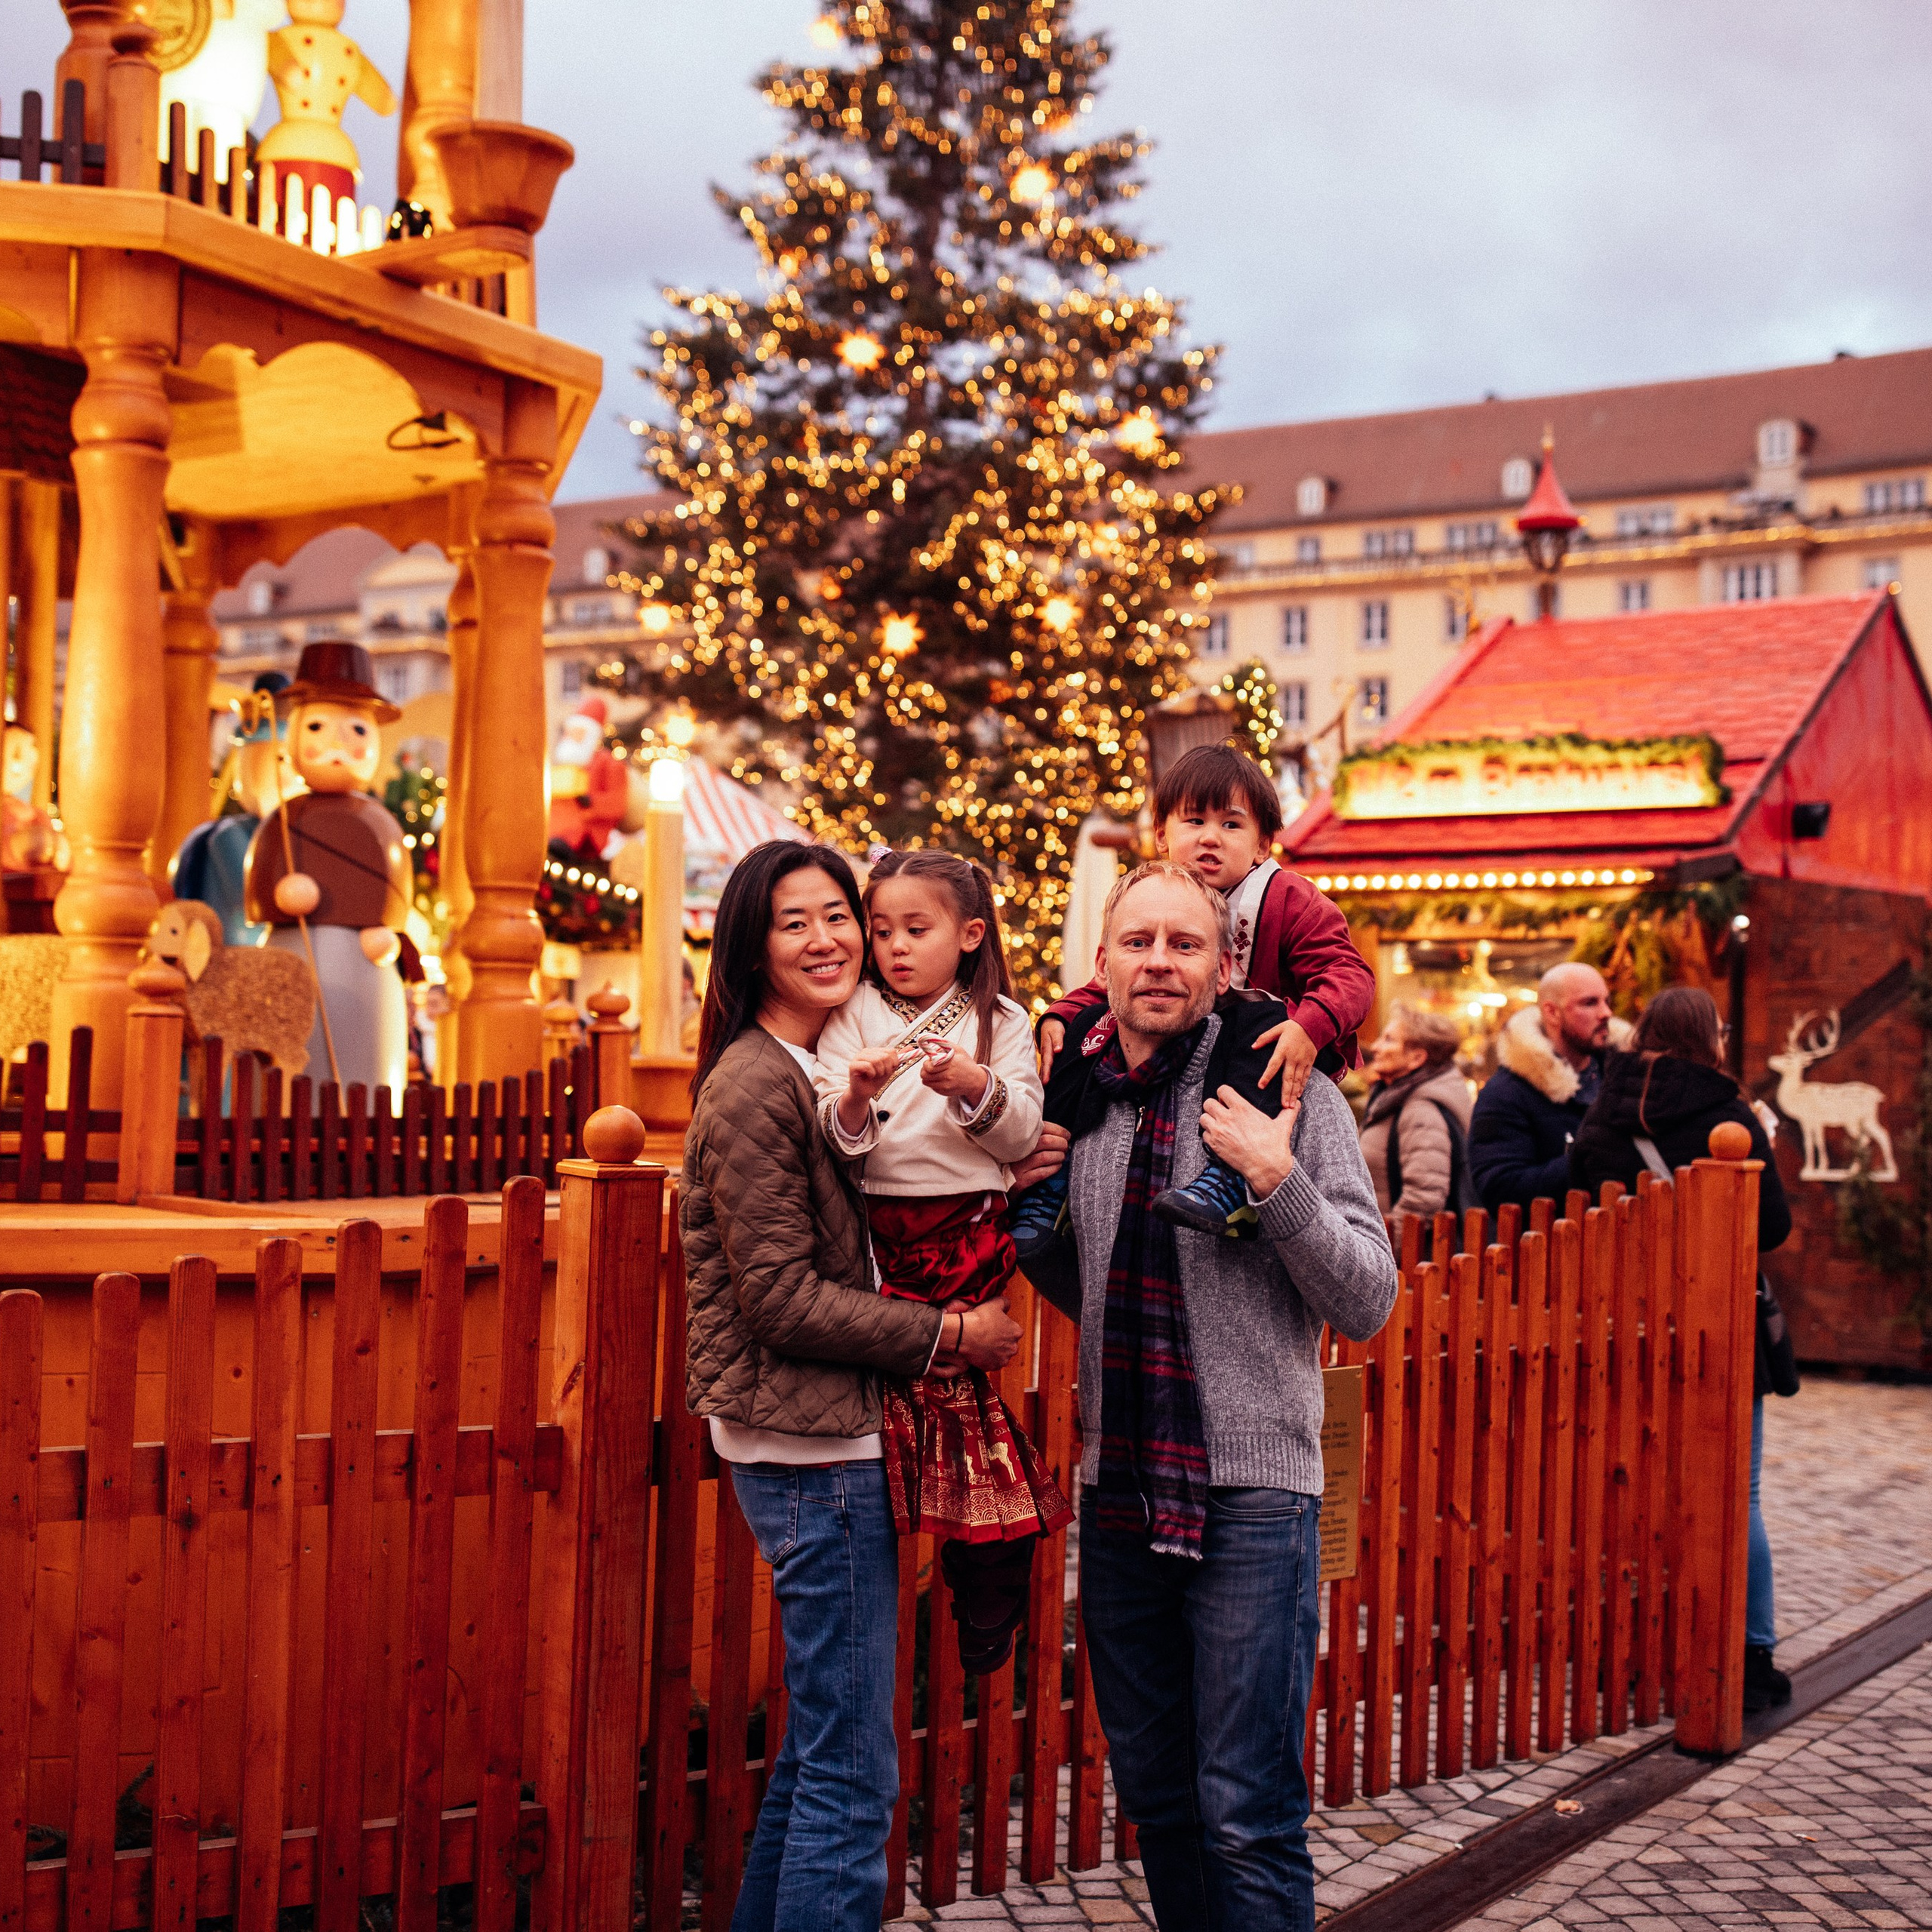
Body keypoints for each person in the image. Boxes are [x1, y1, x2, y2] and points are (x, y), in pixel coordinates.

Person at [1024, 861, 1398, 1930]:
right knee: (1159, 1800)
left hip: (1253, 1500)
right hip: (1123, 1490)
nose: (1159, 963)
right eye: (1138, 942)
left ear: (1226, 965)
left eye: (1184, 945)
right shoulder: (1081, 1102)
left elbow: (1368, 1299)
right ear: (1101, 963)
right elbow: (1081, 1282)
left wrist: (1277, 1185)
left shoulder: (1287, 1091)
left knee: (1248, 1811)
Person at [680, 840, 1023, 1932]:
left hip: (830, 1441)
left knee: (823, 1754)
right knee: (854, 1771)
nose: (832, 939)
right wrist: (950, 1332)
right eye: (798, 923)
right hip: (810, 1456)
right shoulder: (752, 1083)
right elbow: (779, 1298)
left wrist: (1025, 1145)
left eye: (842, 915)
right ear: (751, 943)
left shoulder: (820, 1064)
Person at [814, 849, 1069, 1674]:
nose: (894, 946)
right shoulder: (853, 1013)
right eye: (881, 928)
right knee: (909, 1390)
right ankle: (937, 1548)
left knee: (954, 1393)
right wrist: (854, 1095)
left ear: (967, 934)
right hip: (879, 1228)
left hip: (967, 1222)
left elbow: (1025, 1131)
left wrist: (973, 1087)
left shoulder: (1002, 1020)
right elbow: (835, 1131)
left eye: (915, 929)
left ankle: (981, 1567)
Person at [1016, 743, 1376, 1249]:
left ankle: (1231, 1180)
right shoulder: (1158, 897)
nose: (1211, 838)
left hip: (1262, 1048)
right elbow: (1118, 980)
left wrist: (1310, 1024)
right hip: (1181, 1044)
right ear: (1162, 835)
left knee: (1255, 1024)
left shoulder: (1289, 899)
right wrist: (1065, 1013)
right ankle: (1053, 1183)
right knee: (1080, 1035)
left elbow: (1348, 971)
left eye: (1231, 825)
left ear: (1262, 845)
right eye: (1194, 822)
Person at [1569, 984, 1795, 1714]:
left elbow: (1587, 1214)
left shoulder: (1605, 1111)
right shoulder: (1728, 1112)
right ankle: (1749, 1654)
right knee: (1738, 1493)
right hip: (1721, 1326)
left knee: (1638, 1488)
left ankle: (1641, 1645)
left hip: (1631, 1325)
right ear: (1709, 1037)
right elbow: (1774, 1227)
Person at [1469, 961, 1632, 1217]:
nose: (1606, 1013)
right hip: (1545, 1247)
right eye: (1590, 1003)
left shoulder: (1624, 1077)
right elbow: (1499, 1188)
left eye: (1606, 1001)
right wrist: (1583, 1160)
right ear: (1552, 1013)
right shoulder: (1507, 1092)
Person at [1357, 1004, 1473, 1223]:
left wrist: (1383, 1250)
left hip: (1405, 1252)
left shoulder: (1420, 1111)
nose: (1375, 1047)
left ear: (1417, 1058)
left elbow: (1423, 1200)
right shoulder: (1391, 1098)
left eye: (1389, 1040)